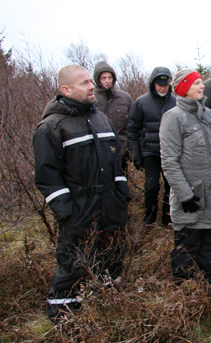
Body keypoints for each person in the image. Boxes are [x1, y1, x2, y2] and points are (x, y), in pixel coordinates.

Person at [33, 65, 131, 322]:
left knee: (113, 257)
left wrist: (122, 196)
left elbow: (116, 163)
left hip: (111, 205)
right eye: (85, 83)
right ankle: (64, 321)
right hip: (79, 208)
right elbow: (47, 176)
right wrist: (67, 212)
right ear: (66, 89)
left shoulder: (101, 119)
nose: (92, 87)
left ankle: (109, 311)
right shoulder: (52, 126)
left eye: (91, 81)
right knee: (73, 263)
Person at [160, 69, 211, 284]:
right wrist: (185, 196)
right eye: (197, 83)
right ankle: (185, 291)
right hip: (192, 197)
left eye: (202, 82)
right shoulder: (173, 118)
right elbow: (169, 162)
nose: (202, 86)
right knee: (187, 245)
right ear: (184, 88)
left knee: (210, 241)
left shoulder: (208, 114)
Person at [127, 67, 176, 226]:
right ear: (152, 84)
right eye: (159, 84)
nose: (162, 87)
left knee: (171, 188)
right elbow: (132, 130)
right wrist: (136, 155)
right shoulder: (141, 102)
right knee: (152, 187)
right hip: (150, 153)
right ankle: (149, 219)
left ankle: (167, 219)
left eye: (166, 84)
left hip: (171, 154)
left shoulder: (176, 102)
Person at [93, 61, 133, 174]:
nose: (107, 81)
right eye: (104, 78)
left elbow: (132, 124)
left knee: (122, 182)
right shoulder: (91, 98)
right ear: (98, 79)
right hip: (99, 150)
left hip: (121, 149)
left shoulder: (125, 97)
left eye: (110, 77)